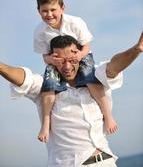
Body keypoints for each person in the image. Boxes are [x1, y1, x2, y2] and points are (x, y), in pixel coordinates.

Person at [0, 32, 143, 167]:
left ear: (79, 55)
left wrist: (137, 49)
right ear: (52, 59)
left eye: (71, 60)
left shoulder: (96, 79)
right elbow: (24, 78)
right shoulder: (46, 88)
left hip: (107, 162)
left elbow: (114, 67)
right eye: (61, 61)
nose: (67, 66)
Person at [34, 0, 117, 142]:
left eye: (53, 9)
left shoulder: (75, 22)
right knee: (48, 85)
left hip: (80, 56)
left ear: (62, 7)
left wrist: (78, 55)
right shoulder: (39, 32)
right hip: (56, 61)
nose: (49, 14)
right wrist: (52, 60)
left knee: (91, 79)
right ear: (38, 10)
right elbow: (45, 56)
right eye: (45, 11)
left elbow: (86, 46)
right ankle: (45, 123)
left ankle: (108, 115)